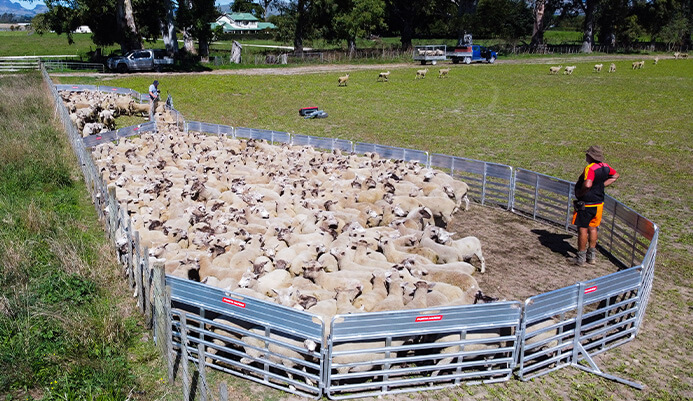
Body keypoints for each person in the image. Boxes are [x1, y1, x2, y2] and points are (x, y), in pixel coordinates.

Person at [569, 145, 620, 265]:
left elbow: (587, 184)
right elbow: (615, 176)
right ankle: (591, 256)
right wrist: (602, 185)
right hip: (599, 203)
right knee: (593, 228)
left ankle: (580, 258)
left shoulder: (590, 169)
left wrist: (581, 193)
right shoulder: (606, 166)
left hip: (586, 204)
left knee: (582, 229)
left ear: (590, 156)